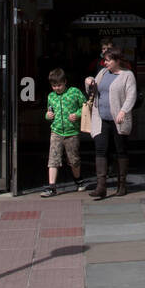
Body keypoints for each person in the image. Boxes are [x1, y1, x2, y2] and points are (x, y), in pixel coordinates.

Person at [88, 48, 137, 199]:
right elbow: (92, 91)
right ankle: (101, 187)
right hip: (101, 118)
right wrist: (89, 82)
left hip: (118, 120)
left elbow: (131, 95)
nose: (105, 63)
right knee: (100, 150)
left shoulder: (127, 75)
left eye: (108, 60)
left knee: (120, 150)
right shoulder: (102, 73)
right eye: (104, 60)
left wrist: (123, 111)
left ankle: (121, 185)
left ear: (117, 60)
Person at [42, 68, 88, 198]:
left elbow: (85, 106)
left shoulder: (74, 92)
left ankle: (78, 180)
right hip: (56, 131)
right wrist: (47, 115)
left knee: (73, 159)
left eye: (59, 85)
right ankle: (52, 187)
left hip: (72, 132)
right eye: (54, 86)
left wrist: (77, 115)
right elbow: (49, 112)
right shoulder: (51, 96)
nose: (57, 88)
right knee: (53, 159)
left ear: (65, 82)